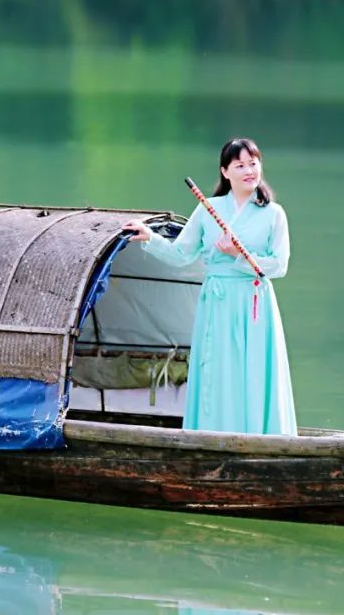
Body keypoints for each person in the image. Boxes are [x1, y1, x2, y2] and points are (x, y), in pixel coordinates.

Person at [122, 138, 297, 436]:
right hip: (217, 301)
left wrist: (238, 255)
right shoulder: (208, 210)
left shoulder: (273, 214)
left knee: (254, 370)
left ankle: (259, 436)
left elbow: (278, 266)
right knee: (217, 369)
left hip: (254, 302)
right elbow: (181, 255)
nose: (249, 171)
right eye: (240, 165)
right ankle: (212, 435)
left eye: (253, 163)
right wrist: (149, 236)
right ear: (225, 172)